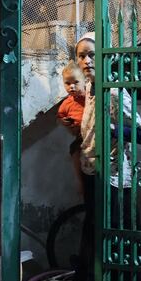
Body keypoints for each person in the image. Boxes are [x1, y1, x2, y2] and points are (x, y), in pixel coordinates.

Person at [47, 32, 141, 281]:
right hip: (94, 175)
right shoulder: (88, 91)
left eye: (91, 54)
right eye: (81, 56)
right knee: (102, 245)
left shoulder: (113, 92)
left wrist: (111, 126)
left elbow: (139, 134)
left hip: (114, 179)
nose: (86, 61)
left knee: (105, 244)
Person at [57, 61, 87, 194]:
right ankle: (81, 182)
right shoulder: (67, 103)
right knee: (74, 150)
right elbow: (59, 117)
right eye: (67, 83)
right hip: (80, 137)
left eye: (76, 82)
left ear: (84, 81)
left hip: (94, 135)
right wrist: (64, 121)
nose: (72, 87)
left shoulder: (90, 97)